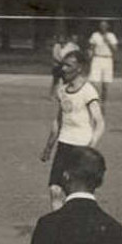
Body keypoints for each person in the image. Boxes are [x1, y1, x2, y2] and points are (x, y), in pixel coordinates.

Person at [40, 49, 105, 211]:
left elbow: (100, 122)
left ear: (79, 68)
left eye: (68, 65)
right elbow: (59, 120)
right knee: (55, 190)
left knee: (78, 191)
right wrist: (48, 147)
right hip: (63, 145)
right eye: (63, 65)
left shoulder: (88, 91)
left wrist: (92, 146)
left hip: (81, 146)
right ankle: (61, 224)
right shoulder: (62, 90)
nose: (63, 69)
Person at [87, 20, 118, 102]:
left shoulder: (111, 35)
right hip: (97, 59)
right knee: (94, 83)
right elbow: (91, 48)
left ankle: (103, 103)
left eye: (105, 26)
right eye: (101, 25)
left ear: (108, 27)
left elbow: (115, 49)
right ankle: (95, 100)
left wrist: (108, 41)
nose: (103, 27)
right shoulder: (95, 35)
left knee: (105, 85)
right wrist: (89, 56)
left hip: (108, 60)